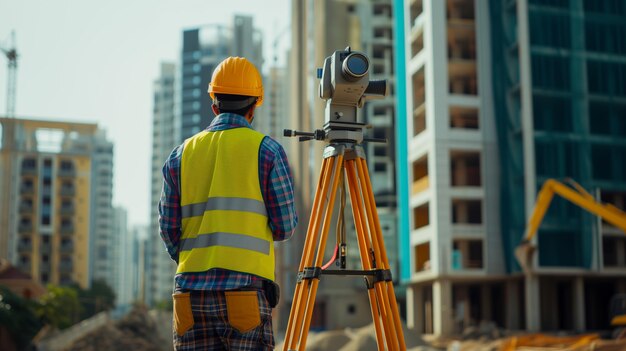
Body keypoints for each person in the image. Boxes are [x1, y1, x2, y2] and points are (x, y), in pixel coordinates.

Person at [158, 56, 298, 350]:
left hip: (188, 296)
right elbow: (285, 226)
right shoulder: (268, 151)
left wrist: (196, 261)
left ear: (214, 105)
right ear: (253, 108)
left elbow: (169, 230)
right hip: (244, 293)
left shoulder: (179, 155)